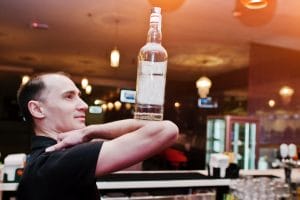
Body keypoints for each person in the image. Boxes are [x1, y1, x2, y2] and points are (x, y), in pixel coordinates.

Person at [16, 72, 179, 200]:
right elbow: (167, 130)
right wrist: (87, 131)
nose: (84, 105)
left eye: (79, 96)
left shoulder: (42, 161)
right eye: (69, 96)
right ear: (37, 109)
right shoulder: (56, 161)